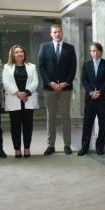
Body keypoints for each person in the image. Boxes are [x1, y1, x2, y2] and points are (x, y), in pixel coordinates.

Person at [37, 24, 77, 155]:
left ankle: (67, 145)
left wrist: (66, 82)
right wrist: (50, 82)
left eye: (59, 32)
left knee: (66, 116)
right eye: (55, 32)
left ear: (62, 33)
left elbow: (73, 67)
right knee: (51, 117)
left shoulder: (70, 48)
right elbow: (41, 67)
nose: (57, 34)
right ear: (51, 34)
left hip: (66, 88)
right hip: (49, 88)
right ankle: (50, 145)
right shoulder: (44, 47)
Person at [2, 45, 39, 158]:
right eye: (17, 52)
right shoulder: (7, 67)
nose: (19, 54)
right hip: (14, 99)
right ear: (12, 54)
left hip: (28, 99)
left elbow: (35, 82)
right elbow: (6, 83)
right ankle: (17, 149)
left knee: (28, 126)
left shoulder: (32, 66)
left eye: (21, 52)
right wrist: (19, 94)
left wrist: (26, 92)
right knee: (15, 126)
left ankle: (27, 148)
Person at [78, 43, 105, 156]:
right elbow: (84, 80)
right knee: (87, 124)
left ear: (101, 51)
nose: (95, 52)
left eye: (97, 50)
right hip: (90, 100)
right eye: (93, 50)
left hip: (103, 99)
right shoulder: (86, 65)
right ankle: (84, 147)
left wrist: (99, 92)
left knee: (103, 125)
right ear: (90, 52)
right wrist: (91, 92)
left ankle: (99, 147)